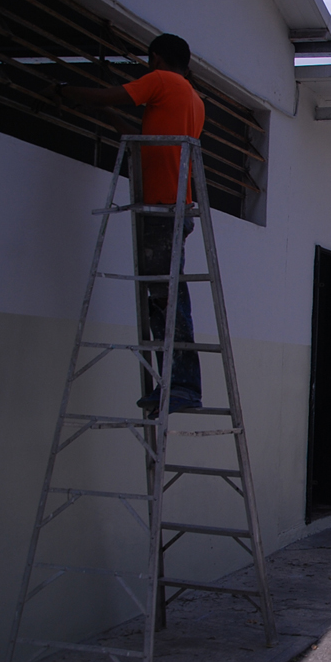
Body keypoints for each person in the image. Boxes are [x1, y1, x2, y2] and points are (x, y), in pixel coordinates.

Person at [53, 34, 204, 416]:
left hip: (162, 206)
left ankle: (183, 385)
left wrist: (66, 90)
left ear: (155, 58)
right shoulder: (193, 100)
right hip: (177, 206)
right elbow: (139, 138)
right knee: (165, 296)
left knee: (167, 299)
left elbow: (110, 96)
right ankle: (176, 384)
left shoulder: (161, 81)